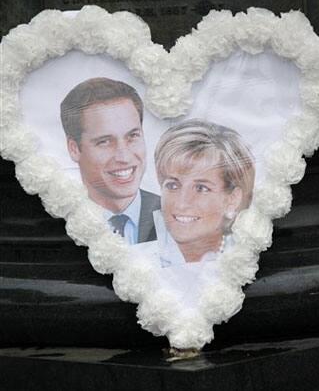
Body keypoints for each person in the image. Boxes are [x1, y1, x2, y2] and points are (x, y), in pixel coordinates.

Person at [131, 119, 255, 304]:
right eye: (173, 185)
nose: (182, 203)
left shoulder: (247, 253)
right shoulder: (135, 260)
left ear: (232, 199)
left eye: (201, 188)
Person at [60, 77, 160, 244]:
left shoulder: (176, 215)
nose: (124, 157)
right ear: (74, 149)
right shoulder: (59, 217)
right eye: (104, 141)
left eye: (132, 136)